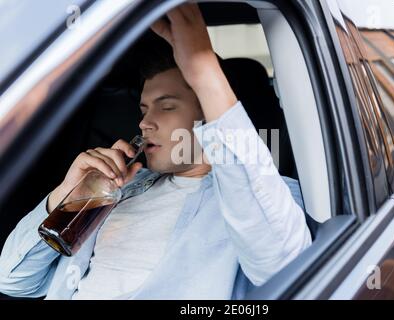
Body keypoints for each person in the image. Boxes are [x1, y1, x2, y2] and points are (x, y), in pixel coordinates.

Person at [0, 3, 311, 299]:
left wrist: (203, 71)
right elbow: (12, 280)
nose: (145, 122)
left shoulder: (269, 196)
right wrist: (66, 195)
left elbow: (282, 266)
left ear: (209, 115)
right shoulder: (118, 190)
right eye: (144, 109)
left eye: (166, 106)